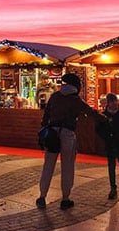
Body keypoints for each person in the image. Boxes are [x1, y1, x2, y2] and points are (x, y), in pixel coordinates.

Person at [36, 73, 103, 210]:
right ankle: (65, 198)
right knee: (67, 166)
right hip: (67, 134)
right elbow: (90, 113)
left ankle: (42, 196)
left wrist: (45, 128)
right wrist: (105, 118)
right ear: (76, 86)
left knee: (48, 165)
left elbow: (46, 115)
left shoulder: (55, 96)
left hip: (52, 133)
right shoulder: (76, 100)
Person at [96, 93, 119, 200]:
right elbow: (98, 129)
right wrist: (106, 137)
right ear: (108, 103)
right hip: (110, 144)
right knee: (111, 166)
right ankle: (113, 188)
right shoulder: (104, 116)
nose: (115, 104)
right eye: (112, 102)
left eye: (115, 101)